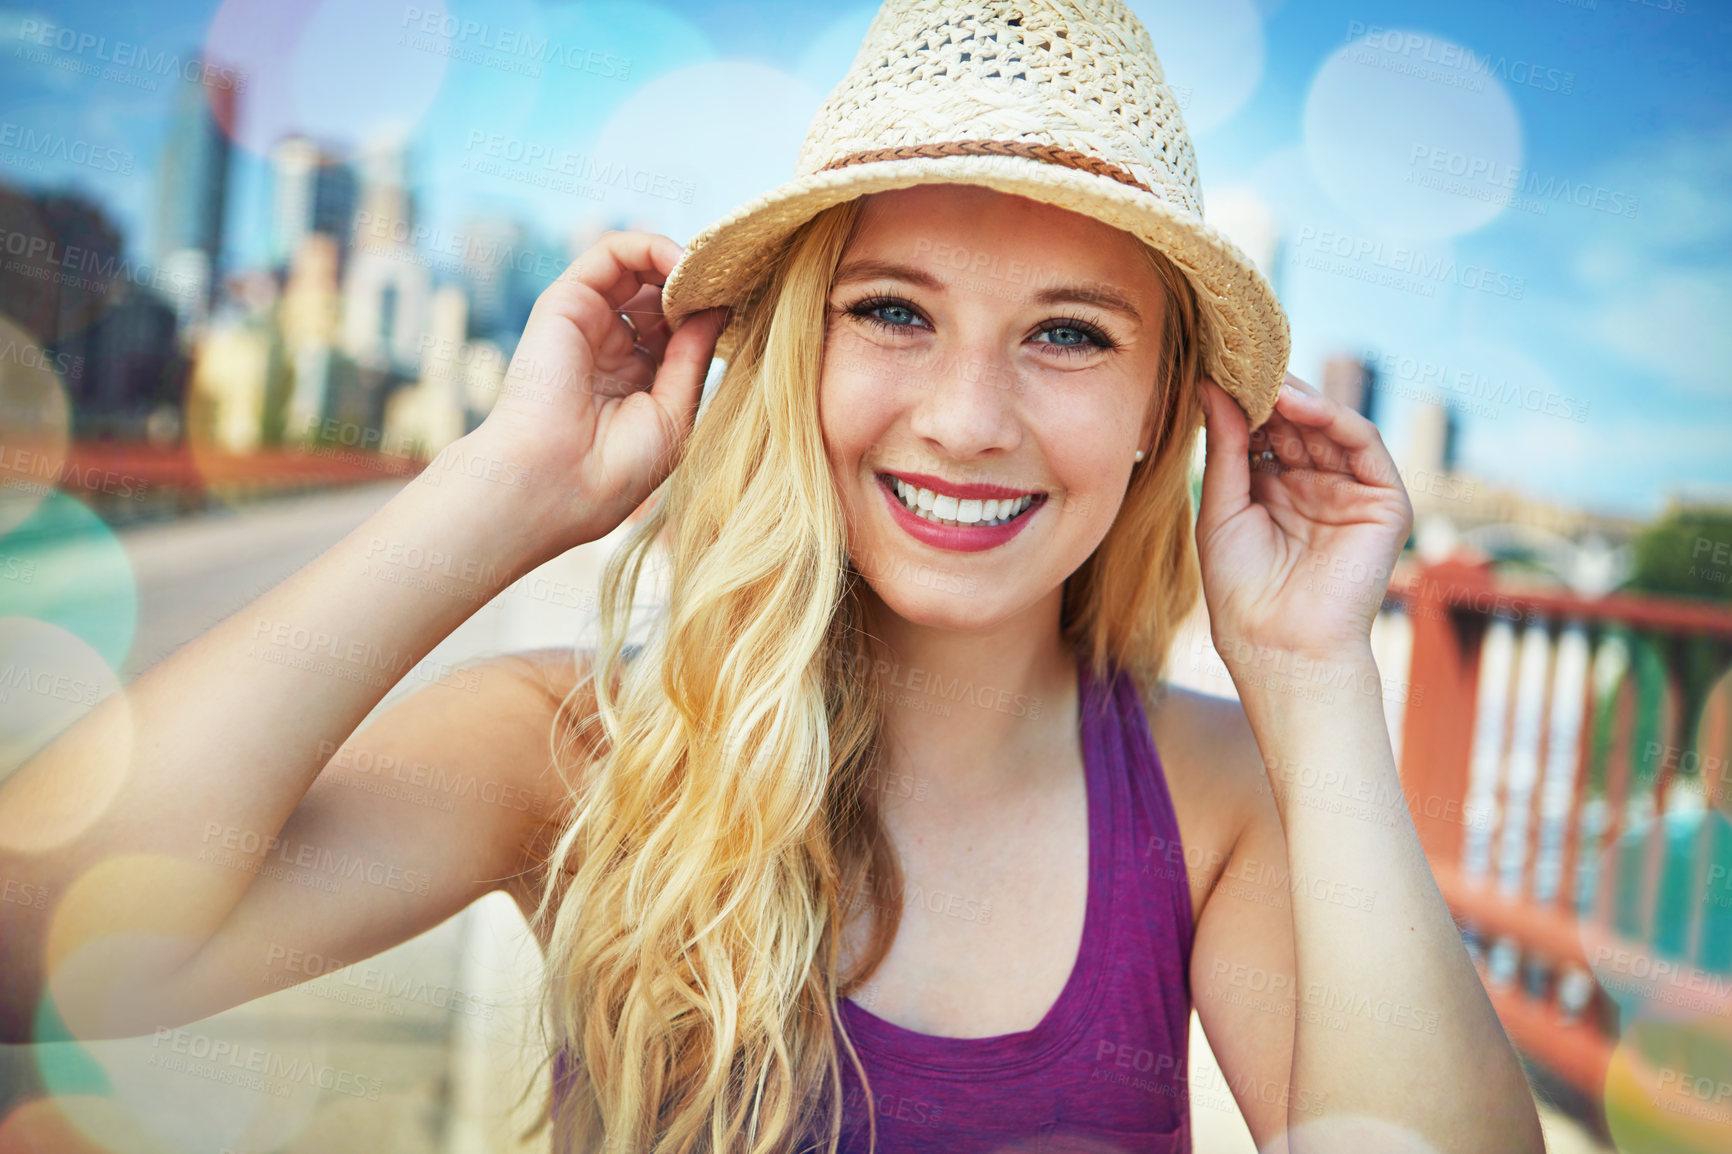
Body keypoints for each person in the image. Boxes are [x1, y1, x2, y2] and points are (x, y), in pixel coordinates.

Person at [0, 2, 1546, 1153]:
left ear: (1164, 410)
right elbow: (40, 947)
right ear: (797, 349)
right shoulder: (584, 750)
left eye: (1071, 332)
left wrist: (1316, 675)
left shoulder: (1216, 800)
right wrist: (499, 492)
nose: (966, 416)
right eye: (892, 311)